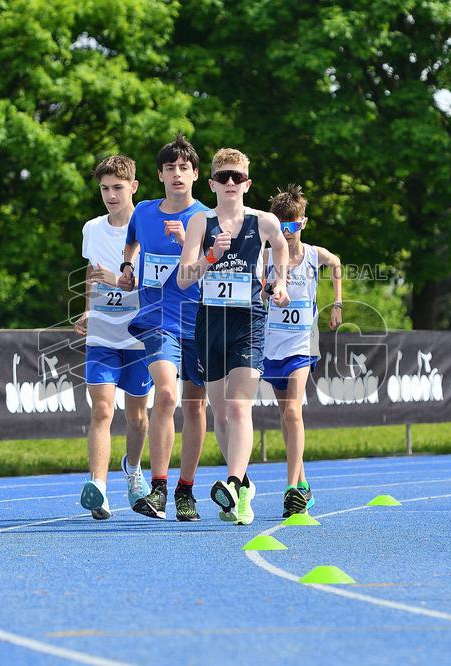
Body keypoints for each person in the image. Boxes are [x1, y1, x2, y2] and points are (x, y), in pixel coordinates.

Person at [177, 148, 290, 525]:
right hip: (211, 322)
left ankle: (232, 481)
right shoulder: (200, 222)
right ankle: (243, 488)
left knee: (240, 406)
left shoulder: (264, 221)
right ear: (211, 184)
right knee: (221, 415)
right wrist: (210, 257)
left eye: (236, 177)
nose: (230, 182)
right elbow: (183, 279)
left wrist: (280, 281)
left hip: (249, 320)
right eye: (223, 177)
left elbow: (282, 247)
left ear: (247, 183)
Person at [117, 134, 209, 521]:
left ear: (196, 175)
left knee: (194, 405)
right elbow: (131, 244)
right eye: (170, 168)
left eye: (184, 168)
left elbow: (221, 270)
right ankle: (158, 488)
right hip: (157, 320)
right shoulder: (143, 212)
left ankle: (186, 490)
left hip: (199, 322)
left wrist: (190, 244)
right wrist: (127, 267)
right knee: (167, 394)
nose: (177, 174)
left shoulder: (207, 218)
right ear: (160, 175)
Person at [76, 155, 153, 520]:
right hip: (103, 334)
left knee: (137, 417)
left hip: (139, 334)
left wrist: (116, 280)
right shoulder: (92, 229)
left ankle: (133, 470)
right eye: (105, 188)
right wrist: (88, 310)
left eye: (118, 188)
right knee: (102, 410)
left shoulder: (149, 228)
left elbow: (153, 285)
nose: (110, 195)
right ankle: (99, 488)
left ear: (133, 187)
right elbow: (92, 274)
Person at [262, 185, 342, 517]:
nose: (287, 232)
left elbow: (336, 263)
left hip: (301, 344)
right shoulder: (267, 256)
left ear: (303, 223)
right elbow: (260, 292)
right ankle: (304, 486)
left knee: (294, 411)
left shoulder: (313, 254)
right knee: (286, 415)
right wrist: (269, 291)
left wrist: (337, 303)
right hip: (273, 345)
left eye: (293, 225)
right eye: (281, 225)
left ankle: (291, 489)